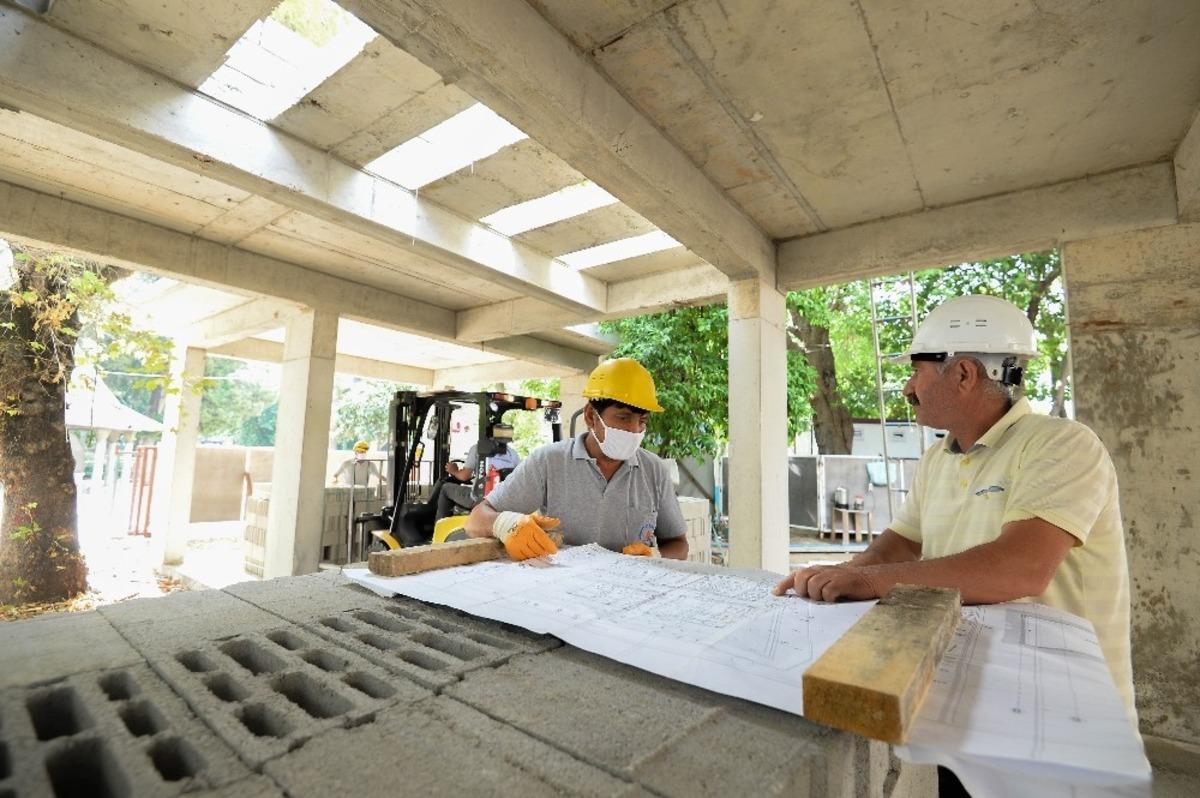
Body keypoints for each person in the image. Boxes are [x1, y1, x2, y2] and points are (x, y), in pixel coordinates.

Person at [773, 294, 1135, 719]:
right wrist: (839, 580)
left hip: (1066, 715)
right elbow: (896, 548)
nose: (908, 387)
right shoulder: (936, 458)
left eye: (916, 371)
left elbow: (1022, 567)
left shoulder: (1061, 444)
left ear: (963, 373)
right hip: (971, 699)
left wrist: (869, 581)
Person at [465, 358, 688, 562]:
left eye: (642, 420)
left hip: (629, 593)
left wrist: (656, 555)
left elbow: (678, 544)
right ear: (591, 416)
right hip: (564, 591)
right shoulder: (549, 462)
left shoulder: (654, 471)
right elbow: (475, 521)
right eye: (624, 417)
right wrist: (505, 524)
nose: (635, 430)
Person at [436, 423, 521, 520]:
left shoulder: (478, 449)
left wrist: (454, 471)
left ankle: (437, 526)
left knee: (446, 488)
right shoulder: (513, 454)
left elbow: (464, 476)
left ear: (488, 436)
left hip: (480, 499)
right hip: (503, 500)